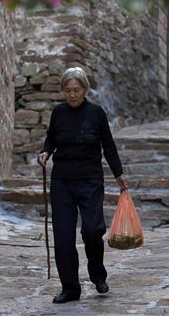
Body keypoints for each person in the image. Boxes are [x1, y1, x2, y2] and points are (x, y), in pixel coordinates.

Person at [37, 67, 129, 304]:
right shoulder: (58, 113)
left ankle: (98, 275)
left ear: (85, 89)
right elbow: (51, 139)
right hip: (62, 182)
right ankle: (70, 288)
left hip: (90, 180)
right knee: (64, 236)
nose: (72, 95)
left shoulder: (96, 114)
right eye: (67, 90)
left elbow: (108, 146)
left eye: (77, 90)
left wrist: (118, 174)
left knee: (92, 230)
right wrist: (45, 152)